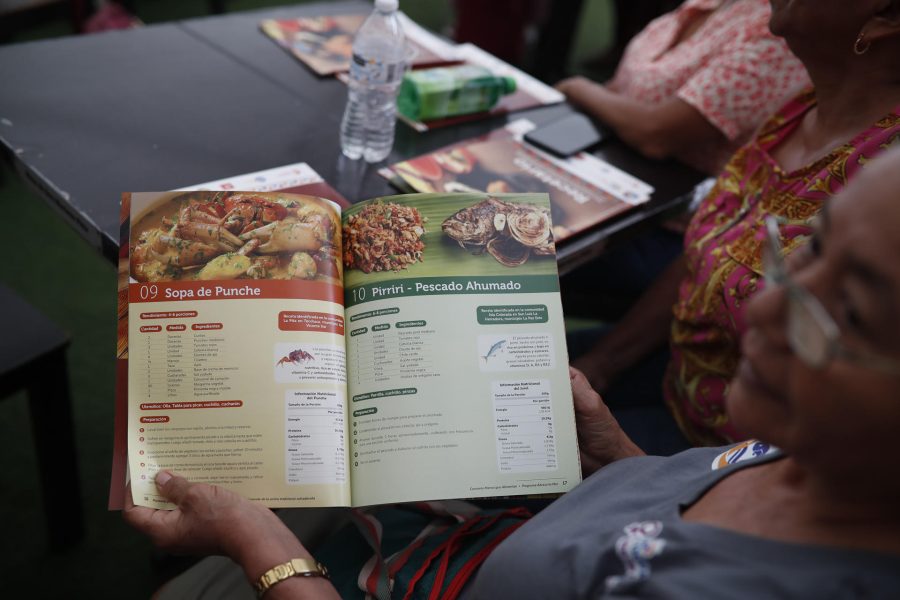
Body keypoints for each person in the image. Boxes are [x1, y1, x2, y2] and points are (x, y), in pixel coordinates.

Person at [124, 146, 900, 597]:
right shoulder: (812, 460)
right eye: (810, 248)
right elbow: (678, 512)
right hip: (480, 533)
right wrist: (614, 456)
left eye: (849, 311)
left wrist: (261, 547)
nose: (764, 309)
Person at [571, 0, 900, 446]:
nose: (767, 311)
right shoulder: (802, 110)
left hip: (730, 452)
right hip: (673, 376)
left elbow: (850, 443)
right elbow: (709, 252)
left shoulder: (884, 183)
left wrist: (627, 464)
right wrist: (605, 363)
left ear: (886, 18)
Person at [555, 0, 810, 175]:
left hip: (658, 207)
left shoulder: (777, 31)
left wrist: (578, 88)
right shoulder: (720, 4)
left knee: (536, 229)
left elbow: (656, 134)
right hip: (599, 156)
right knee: (531, 200)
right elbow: (631, 80)